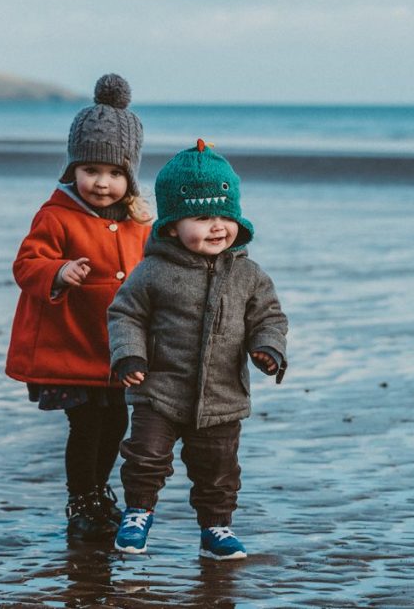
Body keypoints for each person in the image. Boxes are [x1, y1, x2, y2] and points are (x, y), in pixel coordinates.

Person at [107, 139, 288, 560]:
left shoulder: (249, 275)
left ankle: (217, 530)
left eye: (225, 216)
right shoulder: (153, 271)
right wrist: (129, 355)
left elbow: (270, 318)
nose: (217, 227)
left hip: (223, 395)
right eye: (202, 217)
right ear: (172, 225)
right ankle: (137, 513)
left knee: (218, 470)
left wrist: (268, 348)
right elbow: (125, 313)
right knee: (146, 457)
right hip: (159, 390)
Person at [5, 74, 151, 542]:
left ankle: (97, 490)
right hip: (70, 345)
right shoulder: (56, 214)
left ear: (129, 175)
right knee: (86, 425)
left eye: (113, 174)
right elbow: (27, 264)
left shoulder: (138, 221)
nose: (101, 183)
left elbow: (153, 270)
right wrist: (58, 272)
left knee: (117, 422)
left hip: (114, 348)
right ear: (73, 170)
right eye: (91, 171)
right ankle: (82, 498)